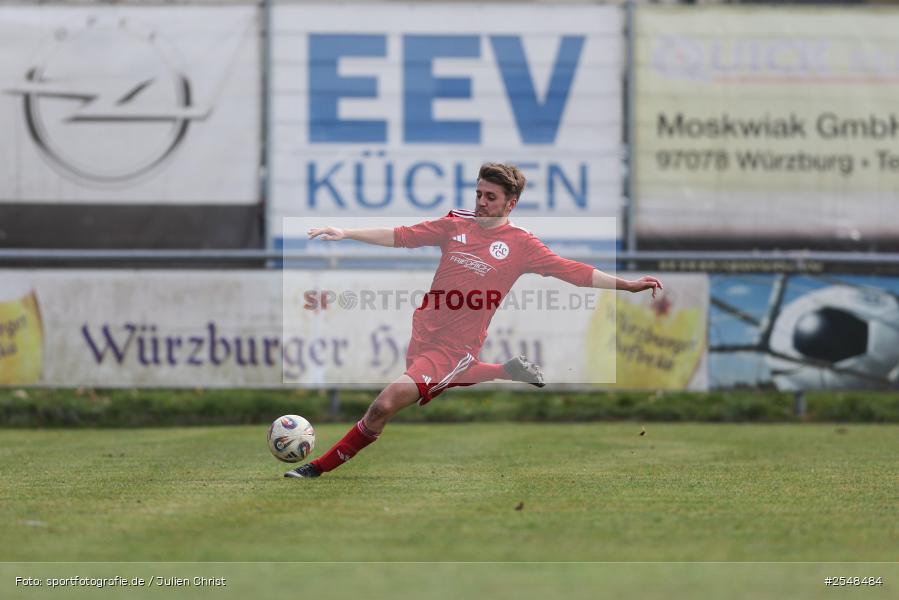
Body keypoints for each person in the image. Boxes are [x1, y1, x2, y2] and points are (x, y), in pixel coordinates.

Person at [285, 163, 662, 479]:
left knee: (384, 406)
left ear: (510, 204)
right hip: (424, 332)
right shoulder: (455, 224)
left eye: (490, 197)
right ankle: (505, 369)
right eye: (478, 194)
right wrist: (347, 232)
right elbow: (403, 236)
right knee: (449, 379)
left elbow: (571, 271)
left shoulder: (522, 245)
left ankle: (316, 468)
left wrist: (627, 285)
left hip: (454, 347)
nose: (481, 203)